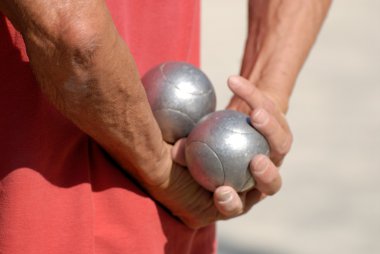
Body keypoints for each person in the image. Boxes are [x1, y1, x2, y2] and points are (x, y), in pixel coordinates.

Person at [0, 0, 331, 253]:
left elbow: (73, 31)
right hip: (167, 223)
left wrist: (257, 103)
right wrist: (267, 87)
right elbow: (74, 37)